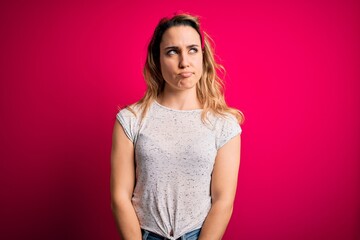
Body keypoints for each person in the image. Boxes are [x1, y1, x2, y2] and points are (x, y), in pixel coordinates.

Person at [110, 13, 244, 240]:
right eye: (172, 51)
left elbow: (223, 201)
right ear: (157, 59)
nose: (184, 62)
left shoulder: (224, 124)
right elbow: (120, 197)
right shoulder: (131, 119)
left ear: (203, 56)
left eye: (192, 49)